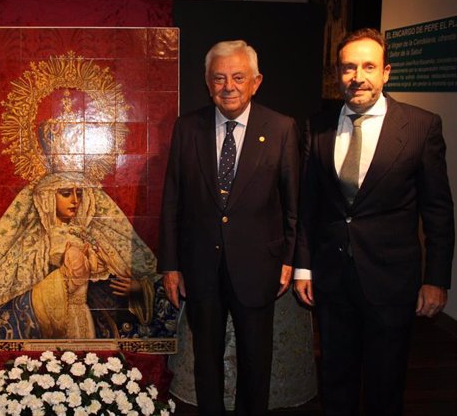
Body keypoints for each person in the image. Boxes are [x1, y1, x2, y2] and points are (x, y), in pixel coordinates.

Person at [294, 28, 454, 415]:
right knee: (335, 380)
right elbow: (307, 206)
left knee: (386, 384)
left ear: (386, 73)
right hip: (333, 281)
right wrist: (303, 267)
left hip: (392, 282)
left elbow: (438, 210)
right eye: (348, 67)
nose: (357, 77)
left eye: (368, 66)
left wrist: (435, 279)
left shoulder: (421, 126)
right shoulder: (317, 127)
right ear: (338, 74)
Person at [160, 40, 299, 416]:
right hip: (201, 267)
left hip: (259, 267)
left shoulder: (282, 128)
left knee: (256, 360)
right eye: (219, 78)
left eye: (238, 77)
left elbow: (292, 204)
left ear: (256, 82)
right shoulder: (187, 128)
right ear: (208, 83)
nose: (229, 86)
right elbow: (172, 199)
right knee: (207, 359)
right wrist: (170, 265)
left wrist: (289, 258)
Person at [0, 170, 161, 341]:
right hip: (50, 333)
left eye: (80, 193)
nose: (75, 200)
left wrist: (138, 291)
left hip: (96, 329)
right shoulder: (31, 244)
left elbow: (127, 287)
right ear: (47, 198)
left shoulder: (98, 237)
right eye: (66, 193)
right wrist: (63, 280)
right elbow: (11, 306)